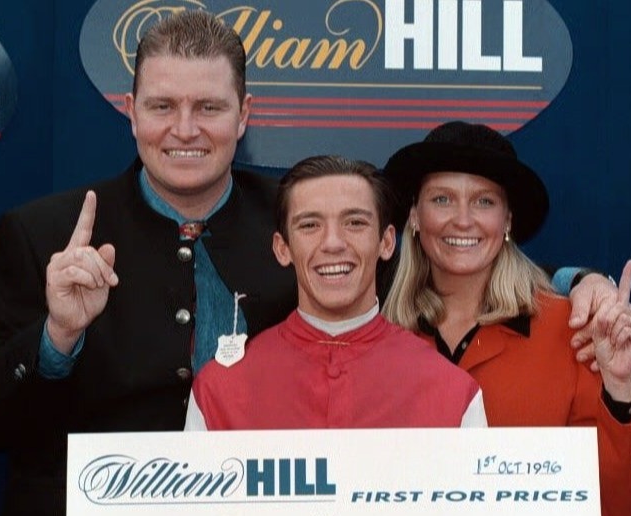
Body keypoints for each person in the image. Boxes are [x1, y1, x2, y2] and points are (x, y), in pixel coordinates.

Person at [0, 11, 296, 516]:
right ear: (130, 110)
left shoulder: (304, 227)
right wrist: (56, 338)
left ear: (245, 116)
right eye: (162, 105)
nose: (184, 130)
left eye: (210, 108)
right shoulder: (41, 233)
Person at [382, 121, 631, 516]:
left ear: (507, 219)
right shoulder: (379, 336)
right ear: (414, 217)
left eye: (483, 202)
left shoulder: (571, 332)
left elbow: (621, 514)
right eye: (442, 199)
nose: (463, 220)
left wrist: (620, 387)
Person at [185, 154, 486, 430]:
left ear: (387, 242)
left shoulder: (452, 392)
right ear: (282, 248)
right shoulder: (218, 392)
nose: (332, 243)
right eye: (310, 225)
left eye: (355, 223)